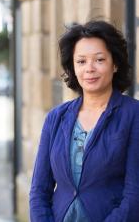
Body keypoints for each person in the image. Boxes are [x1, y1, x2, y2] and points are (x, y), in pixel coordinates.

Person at [29, 20, 139, 222]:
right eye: (81, 61)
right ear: (72, 67)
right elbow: (39, 191)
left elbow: (135, 196)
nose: (89, 69)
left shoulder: (133, 115)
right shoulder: (56, 118)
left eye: (99, 60)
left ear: (114, 64)